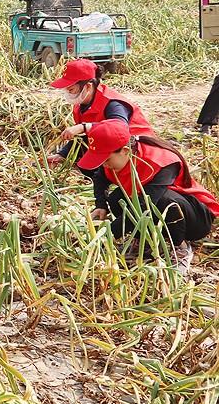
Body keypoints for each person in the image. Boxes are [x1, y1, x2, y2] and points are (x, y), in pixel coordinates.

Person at [77, 119, 216, 275]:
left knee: (163, 201)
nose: (104, 165)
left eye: (106, 160)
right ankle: (144, 240)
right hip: (153, 204)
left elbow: (143, 206)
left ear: (125, 151)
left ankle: (181, 248)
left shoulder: (160, 162)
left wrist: (105, 234)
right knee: (117, 199)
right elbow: (100, 178)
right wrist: (101, 205)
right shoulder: (116, 159)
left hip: (195, 218)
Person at [49, 59, 153, 168]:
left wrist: (83, 127)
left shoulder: (113, 104)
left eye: (71, 90)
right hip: (110, 151)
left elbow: (119, 129)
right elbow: (86, 138)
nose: (68, 95)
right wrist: (61, 155)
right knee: (85, 166)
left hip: (136, 155)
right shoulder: (81, 105)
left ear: (88, 86)